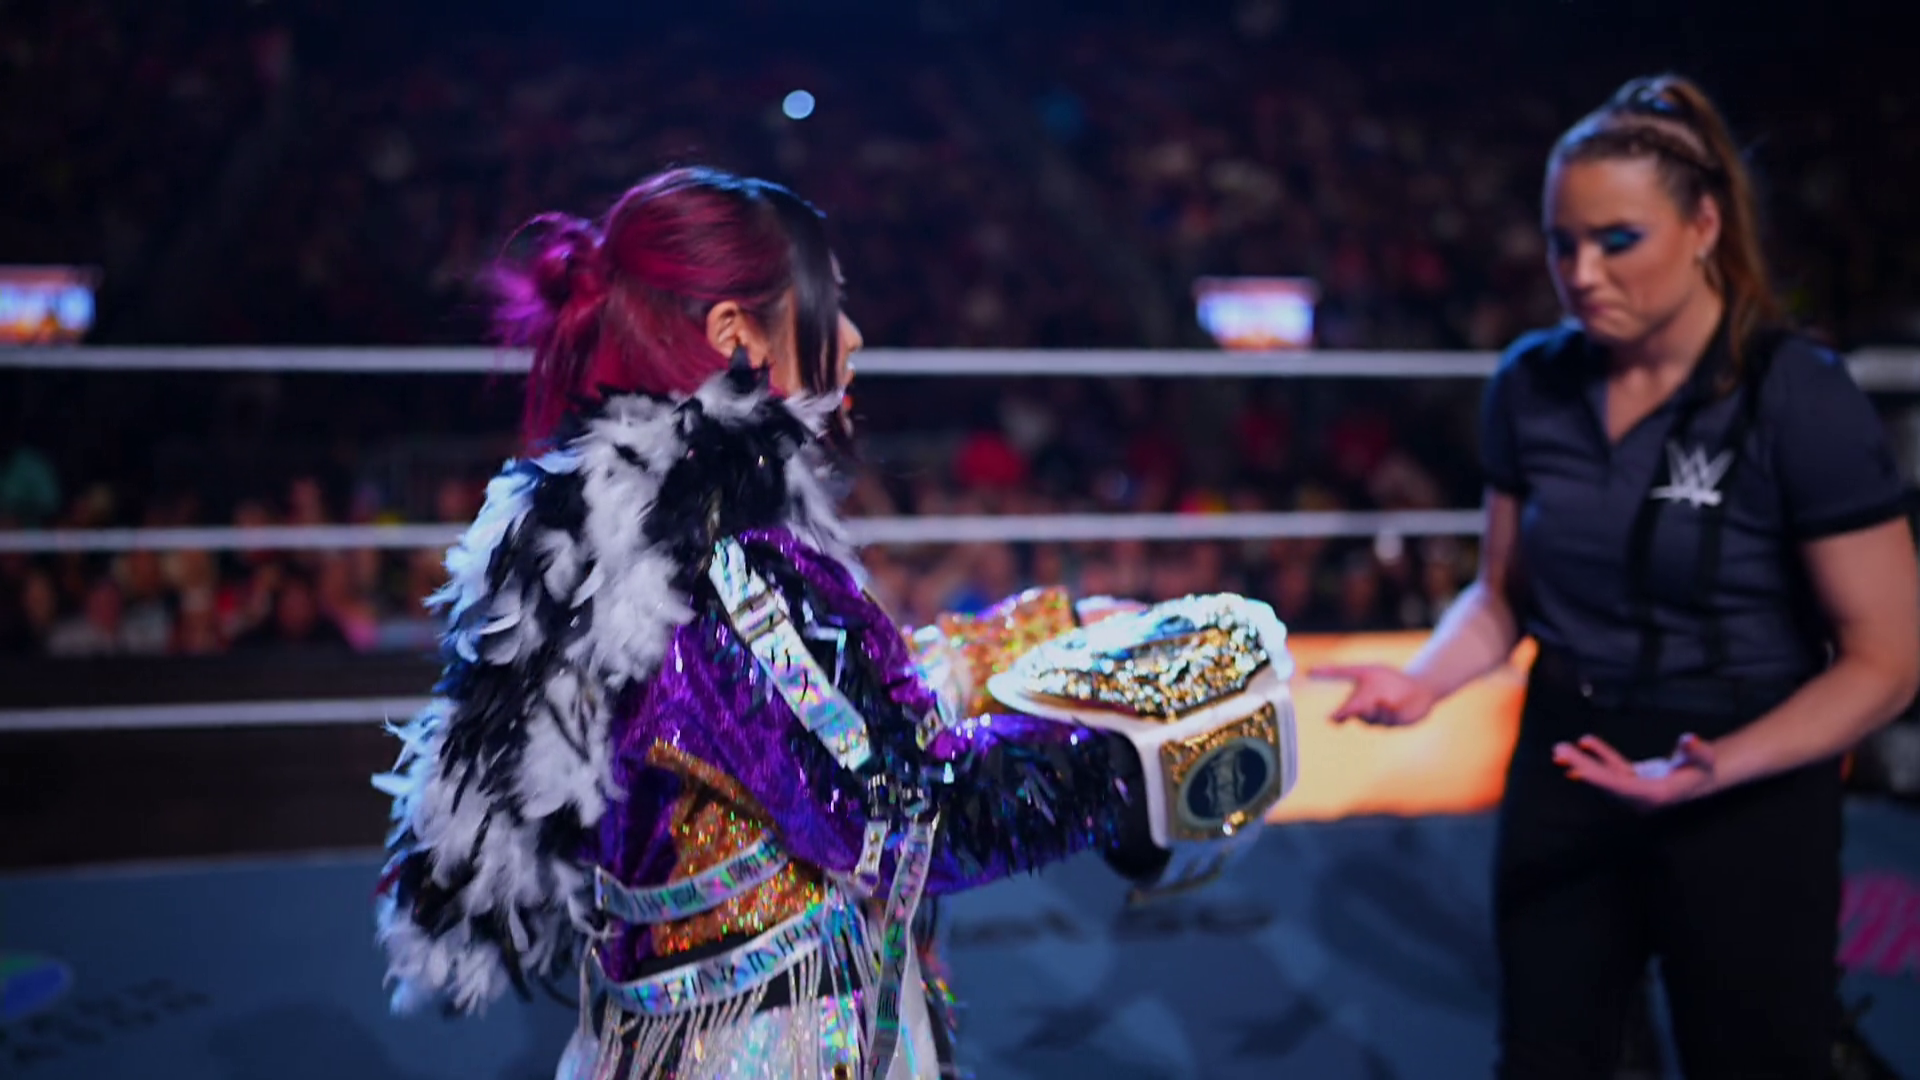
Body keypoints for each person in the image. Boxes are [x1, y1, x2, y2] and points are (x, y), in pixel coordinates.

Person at [372, 166, 1298, 1080]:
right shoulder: (732, 562)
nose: (851, 337)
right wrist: (1134, 755)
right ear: (735, 333)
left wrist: (1047, 630)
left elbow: (822, 719)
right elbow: (913, 816)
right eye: (830, 305)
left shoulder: (623, 525)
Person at [1315, 74, 1919, 1079]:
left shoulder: (1796, 395)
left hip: (1743, 770)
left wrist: (1718, 766)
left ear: (1704, 226)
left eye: (1617, 240)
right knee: (1549, 1056)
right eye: (1563, 244)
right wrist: (1423, 681)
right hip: (1567, 754)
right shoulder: (1531, 381)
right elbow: (1502, 597)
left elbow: (1888, 662)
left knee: (1755, 1058)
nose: (1581, 273)